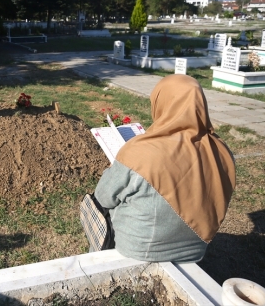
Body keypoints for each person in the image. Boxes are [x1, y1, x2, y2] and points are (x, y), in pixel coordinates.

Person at [92, 74, 236, 262]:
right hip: (194, 253)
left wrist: (113, 170)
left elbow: (103, 197)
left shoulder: (139, 152)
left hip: (139, 250)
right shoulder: (223, 151)